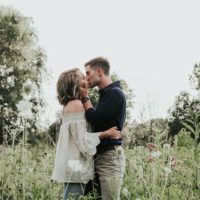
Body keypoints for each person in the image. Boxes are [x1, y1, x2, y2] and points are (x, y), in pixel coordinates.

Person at [51, 68, 121, 200]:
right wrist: (106, 133)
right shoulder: (76, 105)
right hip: (76, 169)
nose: (86, 79)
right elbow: (82, 142)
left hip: (73, 167)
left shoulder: (72, 104)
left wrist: (86, 96)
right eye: (83, 78)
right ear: (75, 84)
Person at [81, 57, 126, 200]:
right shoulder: (106, 95)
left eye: (88, 73)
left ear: (99, 72)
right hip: (99, 156)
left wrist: (85, 97)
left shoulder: (115, 93)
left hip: (109, 158)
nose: (86, 78)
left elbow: (96, 120)